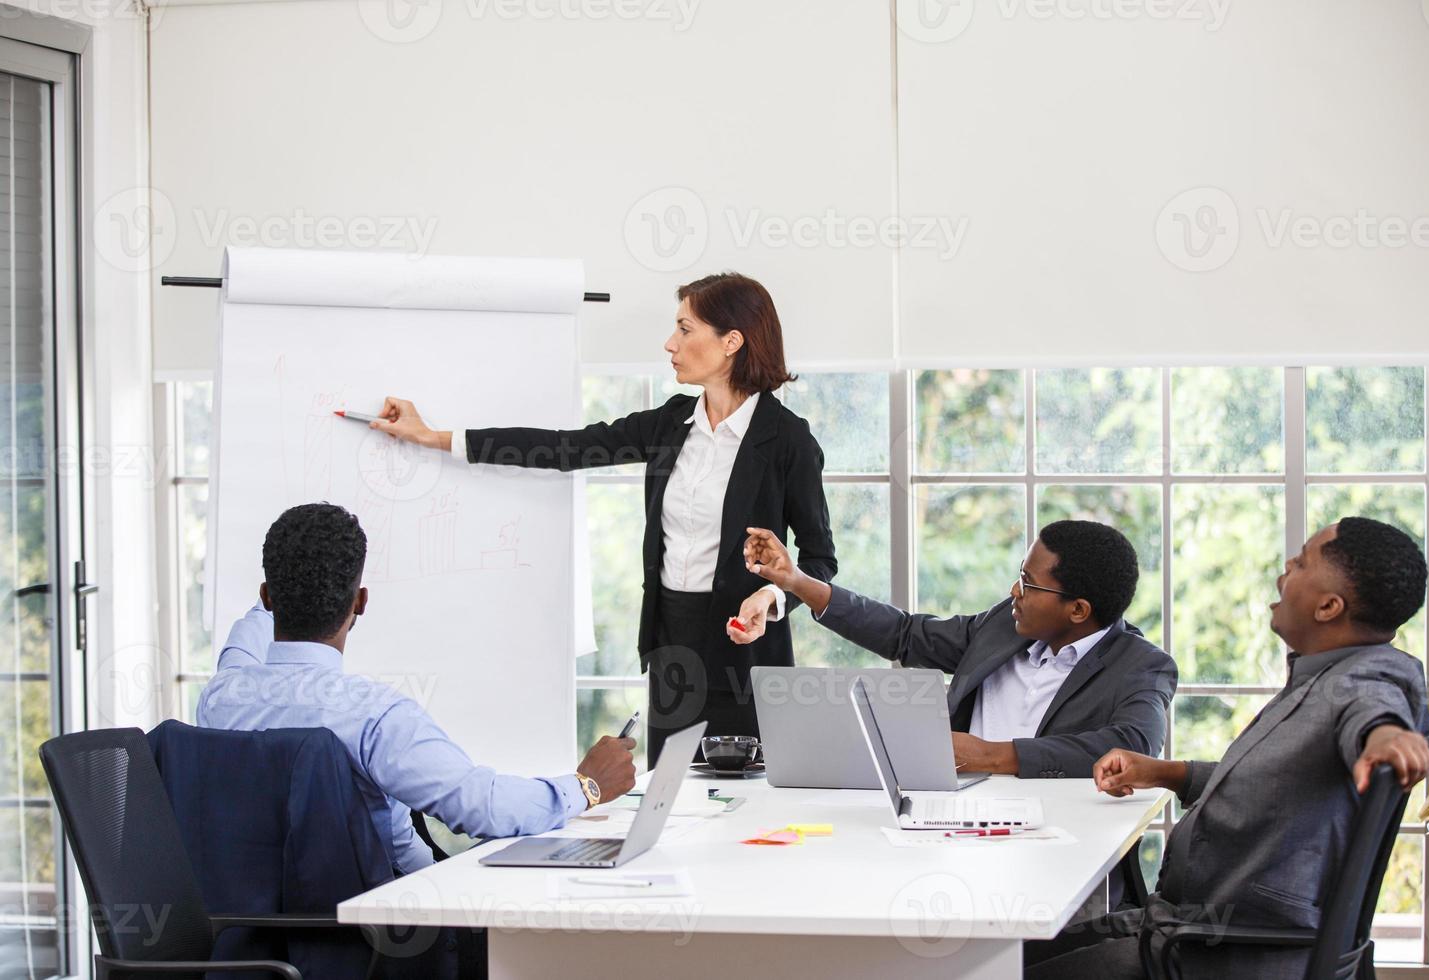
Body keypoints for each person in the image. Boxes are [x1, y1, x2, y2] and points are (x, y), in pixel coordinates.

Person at [371, 273, 838, 765]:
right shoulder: (669, 424)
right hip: (672, 649)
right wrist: (435, 437)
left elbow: (820, 561)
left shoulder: (788, 440)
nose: (670, 343)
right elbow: (564, 448)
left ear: (731, 342)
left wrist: (769, 596)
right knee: (672, 804)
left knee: (747, 811)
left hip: (747, 657)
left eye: (684, 329)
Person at [1025, 517, 1429, 980]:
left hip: (1216, 955)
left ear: (1328, 606)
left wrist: (1385, 735)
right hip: (1184, 929)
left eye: (1302, 561)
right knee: (1012, 951)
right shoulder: (1323, 674)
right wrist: (1167, 773)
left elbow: (1374, 706)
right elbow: (1277, 785)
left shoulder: (1363, 679)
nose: (1287, 566)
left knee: (987, 970)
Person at [197, 502, 637, 874]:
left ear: (268, 596)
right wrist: (586, 786)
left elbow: (246, 637)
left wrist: (282, 583)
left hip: (244, 935)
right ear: (360, 603)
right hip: (396, 931)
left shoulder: (221, 697)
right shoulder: (373, 717)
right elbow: (482, 808)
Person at [739, 519, 1177, 779]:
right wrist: (797, 582)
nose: (1014, 591)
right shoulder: (1006, 625)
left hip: (1058, 842)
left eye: (1029, 583)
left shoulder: (1142, 668)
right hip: (954, 822)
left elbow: (1133, 745)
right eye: (1018, 575)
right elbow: (905, 634)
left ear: (1078, 610)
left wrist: (991, 754)